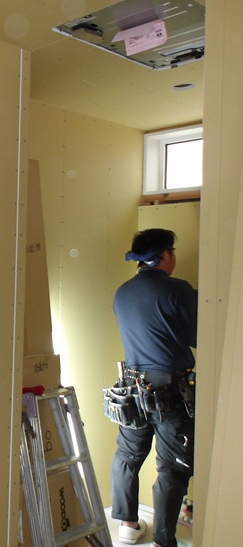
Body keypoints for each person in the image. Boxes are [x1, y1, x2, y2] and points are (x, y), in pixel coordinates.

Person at [111, 228, 197, 547]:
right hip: (170, 392)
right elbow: (198, 335)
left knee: (127, 456)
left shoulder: (122, 292)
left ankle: (128, 526)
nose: (174, 257)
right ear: (164, 254)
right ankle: (163, 540)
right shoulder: (178, 289)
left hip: (131, 388)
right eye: (172, 251)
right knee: (172, 468)